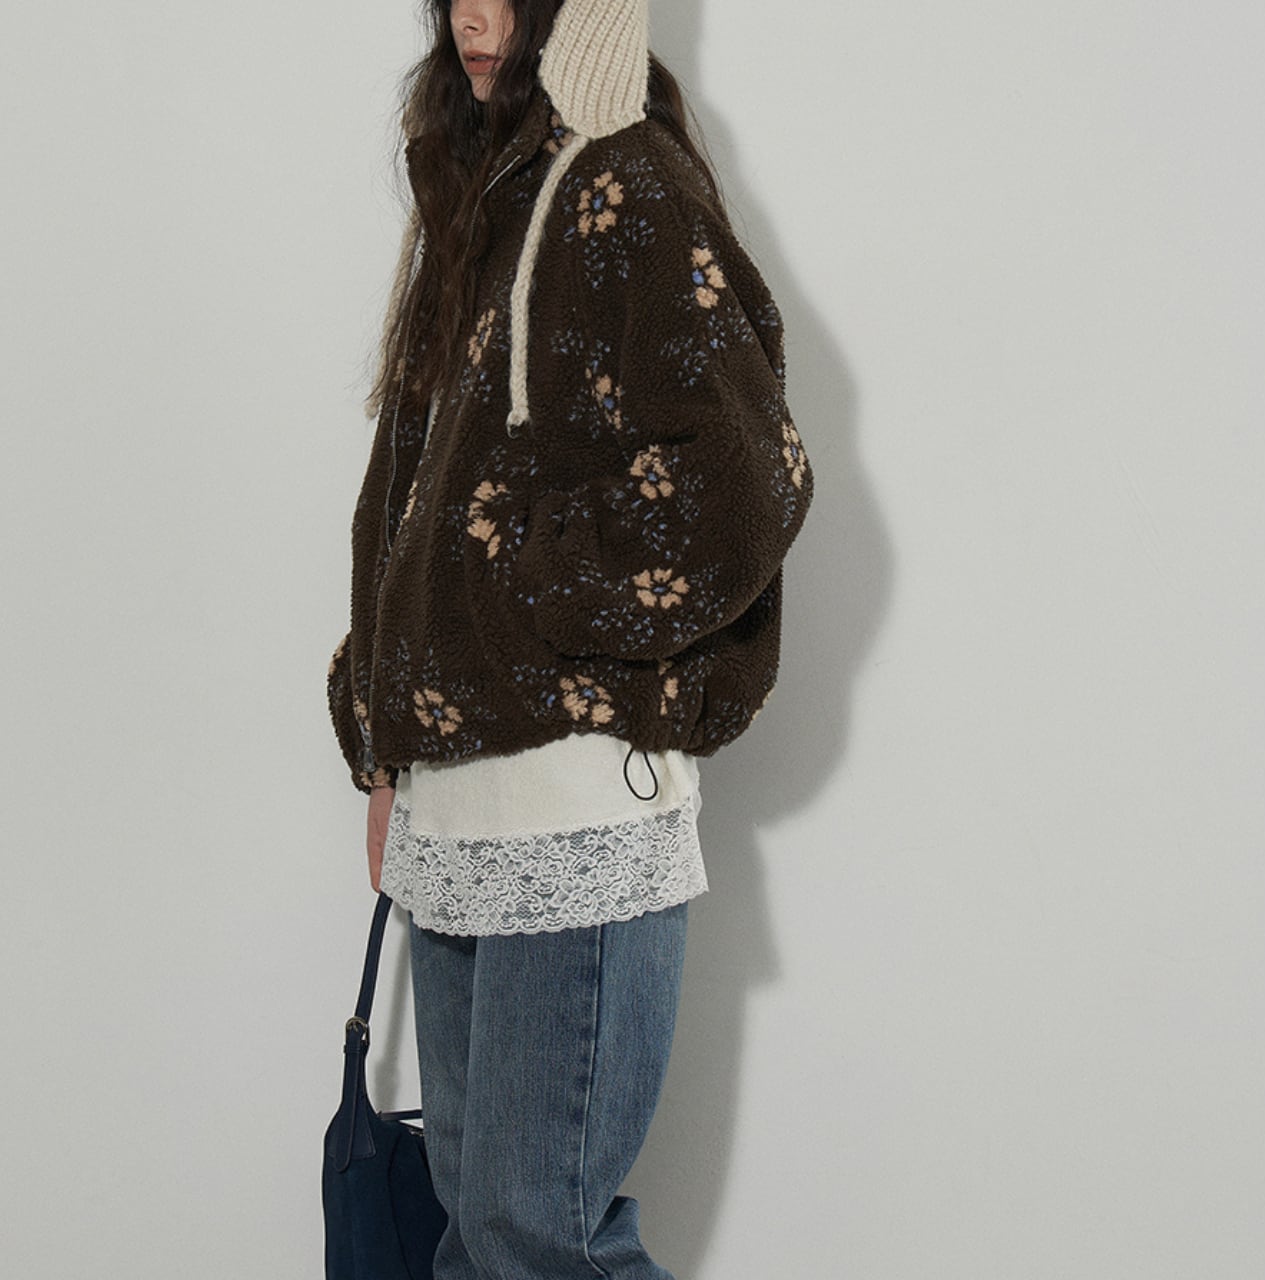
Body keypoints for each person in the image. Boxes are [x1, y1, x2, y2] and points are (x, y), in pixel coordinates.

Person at [326, 0, 813, 1275]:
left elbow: (745, 479)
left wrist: (528, 572)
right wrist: (386, 740)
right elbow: (407, 495)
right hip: (456, 798)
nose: (472, 16)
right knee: (476, 1228)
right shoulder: (477, 193)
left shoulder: (621, 182)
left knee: (531, 1234)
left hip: (574, 801)